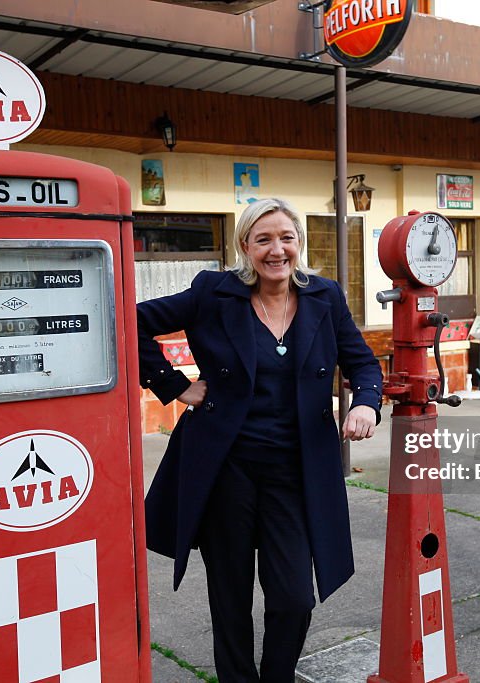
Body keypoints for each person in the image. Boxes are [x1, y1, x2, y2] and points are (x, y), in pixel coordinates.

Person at [137, 198, 383, 681]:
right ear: (245, 246)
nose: (277, 250)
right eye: (264, 239)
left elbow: (362, 362)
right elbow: (134, 322)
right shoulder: (214, 293)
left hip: (295, 470)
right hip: (225, 468)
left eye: (286, 238)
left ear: (299, 244)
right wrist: (175, 385)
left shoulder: (324, 297)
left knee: (293, 597)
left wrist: (365, 403)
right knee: (229, 595)